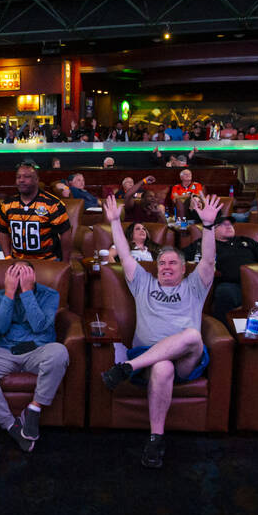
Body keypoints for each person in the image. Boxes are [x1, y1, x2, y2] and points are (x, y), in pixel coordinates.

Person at [100, 193, 222, 469]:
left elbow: (209, 262)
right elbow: (124, 252)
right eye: (162, 263)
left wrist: (209, 227)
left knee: (192, 336)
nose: (166, 267)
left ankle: (126, 367)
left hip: (186, 359)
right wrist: (116, 221)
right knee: (163, 366)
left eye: (172, 263)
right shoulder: (143, 282)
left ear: (183, 269)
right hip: (151, 360)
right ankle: (156, 439)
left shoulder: (195, 286)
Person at [0, 261, 68, 452]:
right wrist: (9, 293)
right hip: (6, 350)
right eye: (14, 272)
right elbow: (0, 327)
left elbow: (39, 325)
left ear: (33, 276)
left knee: (60, 353)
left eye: (24, 272)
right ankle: (11, 426)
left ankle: (34, 410)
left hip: (38, 350)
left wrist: (27, 292)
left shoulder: (49, 295)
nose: (19, 275)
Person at [184, 215, 258, 323]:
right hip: (231, 285)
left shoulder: (245, 241)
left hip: (257, 283)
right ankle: (224, 331)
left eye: (230, 224)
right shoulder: (204, 244)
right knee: (225, 292)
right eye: (223, 224)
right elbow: (181, 256)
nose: (229, 226)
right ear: (213, 230)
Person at [0, 161, 71, 262]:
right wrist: (8, 257)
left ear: (36, 180)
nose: (21, 180)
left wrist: (65, 263)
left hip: (48, 262)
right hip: (18, 262)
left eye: (27, 177)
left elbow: (65, 233)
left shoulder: (53, 204)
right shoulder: (7, 204)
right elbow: (2, 231)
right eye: (18, 177)